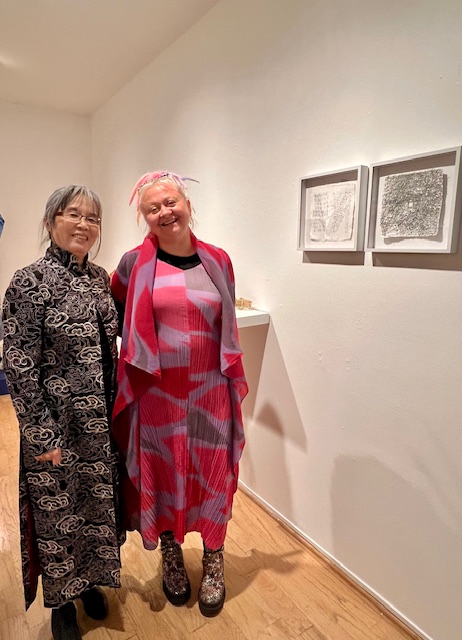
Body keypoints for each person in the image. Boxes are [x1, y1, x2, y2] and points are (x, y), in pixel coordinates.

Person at [111, 171, 248, 617]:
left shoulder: (218, 260)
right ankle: (170, 552)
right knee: (165, 471)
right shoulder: (133, 264)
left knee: (213, 473)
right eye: (153, 208)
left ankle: (213, 557)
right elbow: (117, 309)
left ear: (188, 204)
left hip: (211, 391)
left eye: (171, 202)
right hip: (157, 395)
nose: (165, 212)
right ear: (144, 218)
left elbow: (226, 320)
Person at [2, 185, 122, 640]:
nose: (84, 225)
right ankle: (62, 603)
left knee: (94, 507)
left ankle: (89, 582)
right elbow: (19, 364)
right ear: (51, 221)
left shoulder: (99, 279)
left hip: (99, 426)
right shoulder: (28, 282)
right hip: (55, 427)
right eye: (74, 214)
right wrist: (42, 435)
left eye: (93, 218)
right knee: (57, 516)